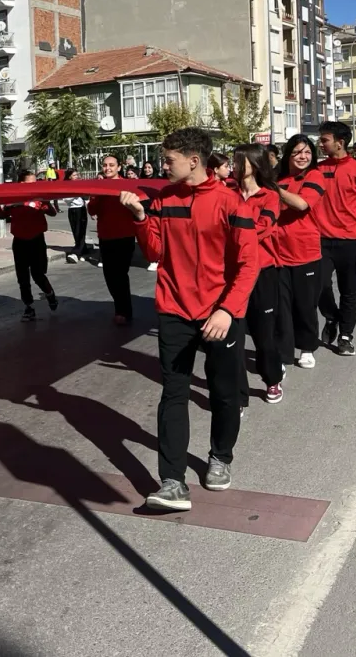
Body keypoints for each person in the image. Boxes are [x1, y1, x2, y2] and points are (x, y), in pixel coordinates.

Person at [120, 128, 258, 512]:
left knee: (224, 392)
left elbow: (250, 264)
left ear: (193, 161)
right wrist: (139, 217)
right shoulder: (164, 199)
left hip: (221, 315)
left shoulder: (232, 203)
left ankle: (221, 457)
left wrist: (227, 310)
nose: (162, 166)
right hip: (174, 310)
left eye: (169, 160)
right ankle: (172, 482)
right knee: (173, 393)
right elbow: (156, 251)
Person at [315, 121, 356, 357]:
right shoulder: (317, 170)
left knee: (350, 291)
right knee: (319, 285)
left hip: (352, 241)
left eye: (325, 140)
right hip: (321, 240)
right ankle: (331, 316)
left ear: (340, 143)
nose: (320, 144)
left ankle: (345, 336)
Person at [233, 143, 287, 406]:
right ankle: (238, 396)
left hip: (263, 271)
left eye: (238, 161)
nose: (233, 166)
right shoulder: (227, 194)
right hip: (231, 272)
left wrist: (232, 232)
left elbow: (262, 228)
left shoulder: (269, 197)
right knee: (234, 337)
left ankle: (272, 379)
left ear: (253, 165)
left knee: (263, 335)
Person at [275, 134, 326, 370]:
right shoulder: (279, 177)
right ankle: (283, 355)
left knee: (304, 305)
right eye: (297, 152)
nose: (303, 157)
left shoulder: (314, 176)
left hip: (305, 252)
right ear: (288, 155)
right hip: (276, 253)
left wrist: (272, 188)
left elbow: (302, 204)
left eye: (307, 152)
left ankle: (307, 347)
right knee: (281, 308)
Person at [0, 169, 59, 321]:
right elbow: (2, 215)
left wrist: (45, 201)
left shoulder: (39, 198)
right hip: (19, 241)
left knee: (38, 274)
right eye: (31, 182)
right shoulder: (12, 199)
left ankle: (49, 294)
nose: (35, 184)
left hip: (37, 240)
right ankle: (29, 307)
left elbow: (53, 213)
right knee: (23, 278)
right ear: (21, 183)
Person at [88, 154, 138, 325]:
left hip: (125, 236)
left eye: (111, 165)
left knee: (120, 274)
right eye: (105, 165)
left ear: (119, 167)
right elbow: (91, 210)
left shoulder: (128, 185)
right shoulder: (98, 187)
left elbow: (137, 207)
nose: (108, 168)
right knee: (110, 275)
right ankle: (121, 307)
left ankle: (123, 310)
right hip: (106, 237)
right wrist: (98, 194)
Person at [64, 167, 89, 263]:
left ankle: (77, 252)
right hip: (73, 210)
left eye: (76, 175)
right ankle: (81, 249)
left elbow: (85, 196)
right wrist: (75, 194)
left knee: (81, 230)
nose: (76, 177)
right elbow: (66, 199)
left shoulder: (79, 184)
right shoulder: (67, 185)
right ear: (69, 177)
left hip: (81, 209)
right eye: (74, 175)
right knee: (76, 231)